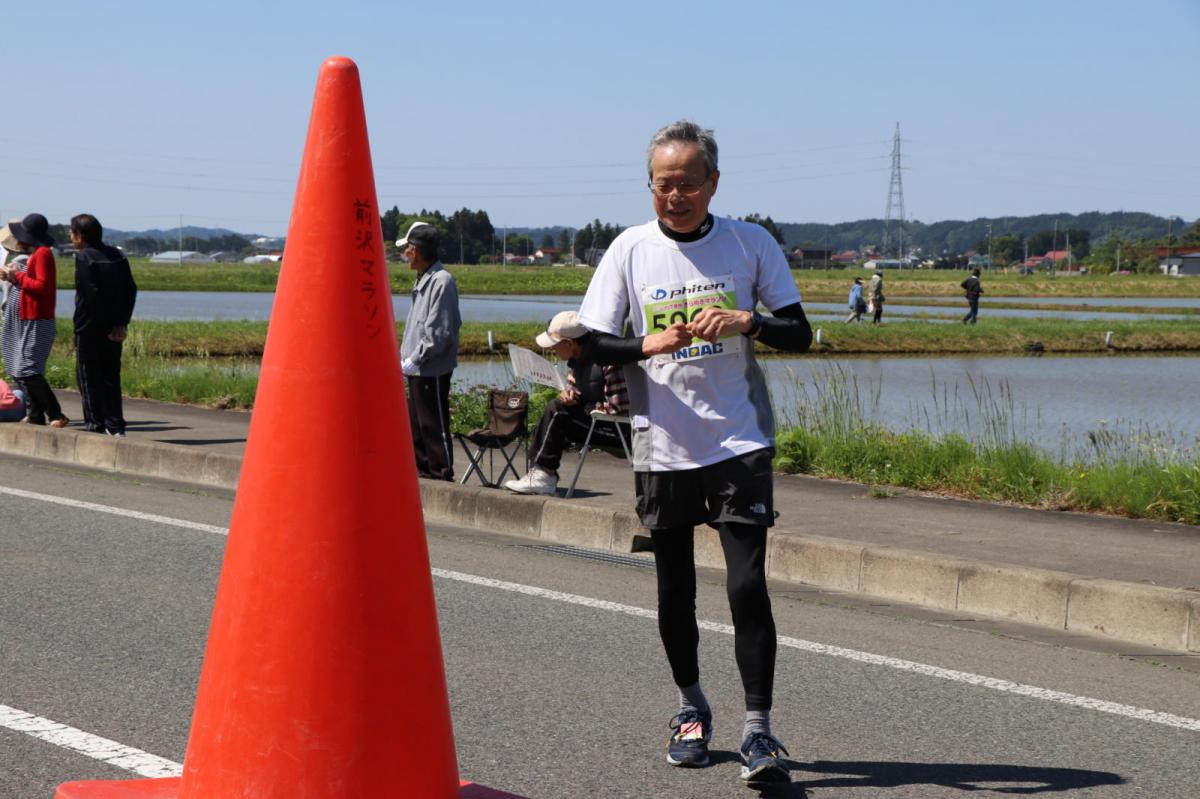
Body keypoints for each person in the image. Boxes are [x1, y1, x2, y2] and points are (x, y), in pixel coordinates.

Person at [578, 120, 812, 786]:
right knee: (674, 588)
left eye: (687, 183)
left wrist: (748, 321)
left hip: (738, 440)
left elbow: (800, 332)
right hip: (664, 443)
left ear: (713, 182)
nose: (674, 196)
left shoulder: (749, 242)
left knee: (745, 585)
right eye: (662, 184)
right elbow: (590, 342)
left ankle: (759, 731)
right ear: (650, 186)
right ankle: (690, 708)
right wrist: (643, 346)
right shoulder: (629, 250)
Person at [502, 310, 630, 496]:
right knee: (558, 408)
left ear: (570, 343)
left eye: (555, 345)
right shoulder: (576, 362)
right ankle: (541, 472)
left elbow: (620, 410)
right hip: (595, 423)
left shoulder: (609, 362)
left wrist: (584, 407)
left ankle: (544, 475)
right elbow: (582, 394)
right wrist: (572, 396)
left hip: (616, 431)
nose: (552, 349)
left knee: (557, 410)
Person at [398, 222, 460, 480]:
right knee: (417, 427)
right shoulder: (424, 278)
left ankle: (441, 474)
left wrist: (415, 358)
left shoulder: (441, 281)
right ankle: (423, 473)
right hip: (417, 367)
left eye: (407, 249)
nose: (404, 255)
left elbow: (440, 332)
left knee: (434, 425)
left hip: (431, 367)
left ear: (416, 251)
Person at [71, 214, 138, 435]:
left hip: (89, 327)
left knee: (88, 378)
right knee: (111, 377)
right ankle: (116, 425)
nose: (72, 238)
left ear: (80, 235)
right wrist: (120, 323)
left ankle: (95, 425)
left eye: (73, 233)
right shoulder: (117, 255)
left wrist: (107, 324)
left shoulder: (84, 257)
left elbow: (91, 295)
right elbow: (131, 289)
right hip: (115, 329)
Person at [0, 213, 68, 427]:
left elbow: (41, 286)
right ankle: (36, 415)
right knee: (25, 369)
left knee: (28, 369)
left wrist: (16, 276)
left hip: (37, 319)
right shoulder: (39, 254)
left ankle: (56, 414)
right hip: (30, 318)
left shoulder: (42, 254)